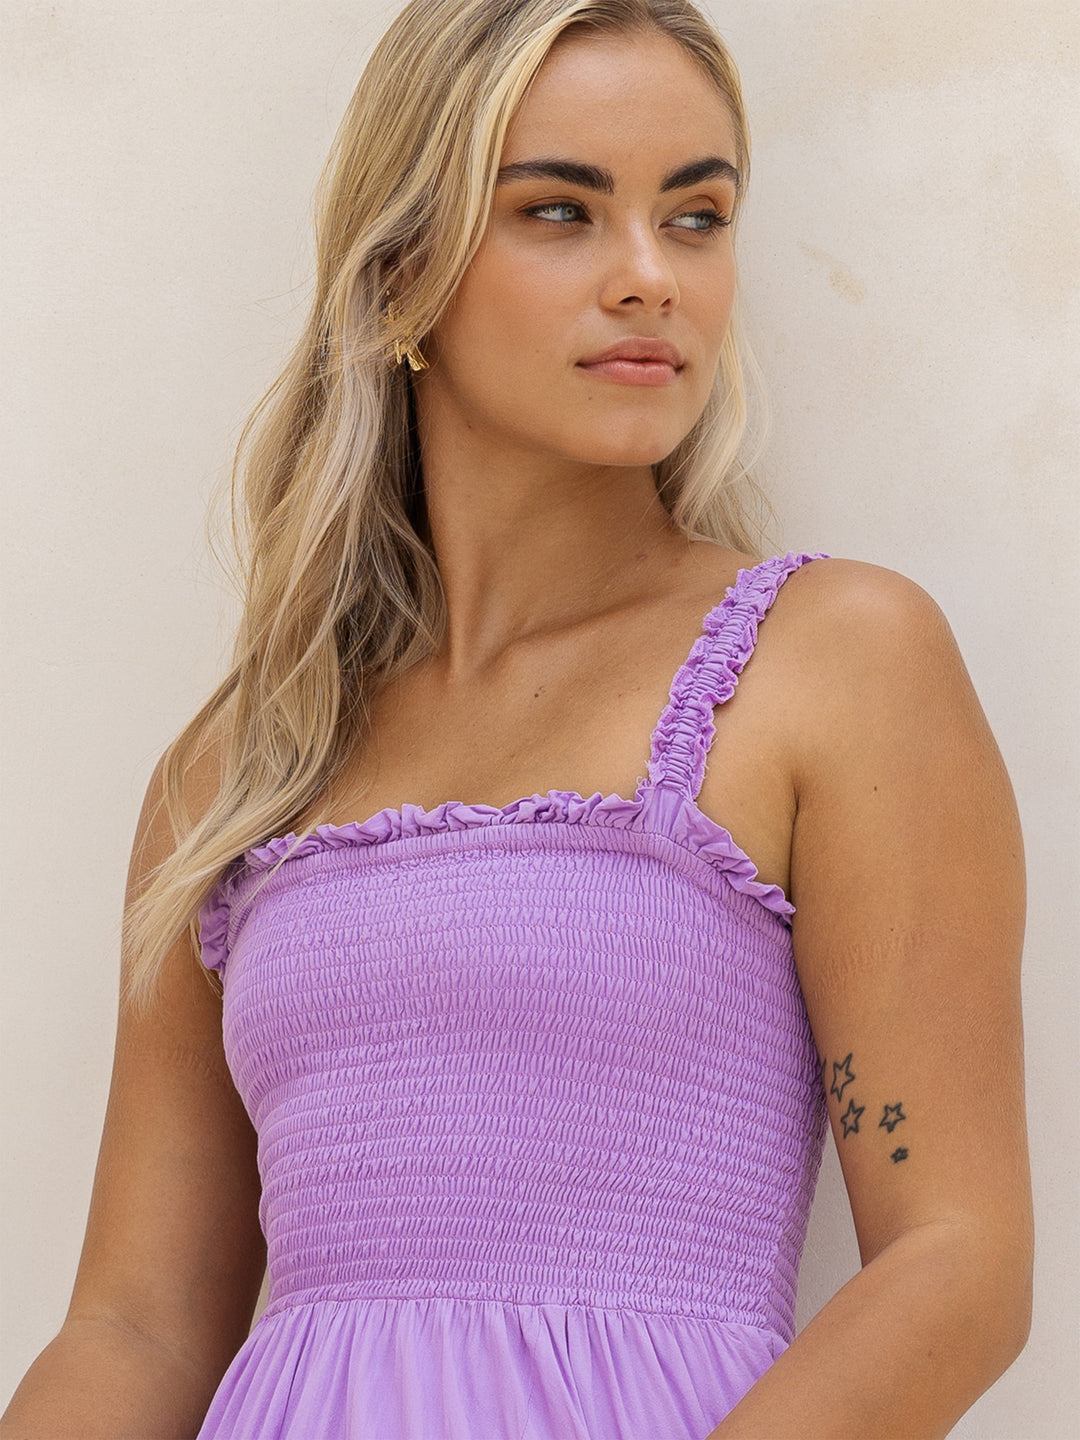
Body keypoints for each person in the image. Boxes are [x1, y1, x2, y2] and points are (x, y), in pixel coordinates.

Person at [1, 1, 1033, 1437]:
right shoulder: (241, 767)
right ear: (398, 272)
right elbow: (136, 1325)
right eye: (561, 211)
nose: (647, 278)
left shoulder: (835, 661)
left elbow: (956, 1260)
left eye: (696, 216)